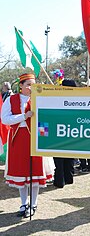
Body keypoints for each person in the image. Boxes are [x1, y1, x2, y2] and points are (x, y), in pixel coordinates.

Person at [1, 73, 54, 218]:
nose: (32, 87)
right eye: (29, 84)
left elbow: (46, 119)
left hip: (35, 139)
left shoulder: (40, 99)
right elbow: (5, 119)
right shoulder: (11, 100)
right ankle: (23, 203)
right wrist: (24, 116)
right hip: (18, 139)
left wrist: (44, 138)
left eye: (33, 84)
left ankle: (34, 203)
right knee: (21, 173)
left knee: (35, 173)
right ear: (21, 86)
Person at [53, 79, 76, 187]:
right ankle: (68, 177)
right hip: (72, 131)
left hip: (60, 130)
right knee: (69, 155)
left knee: (59, 157)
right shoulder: (78, 99)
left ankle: (60, 180)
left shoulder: (58, 99)